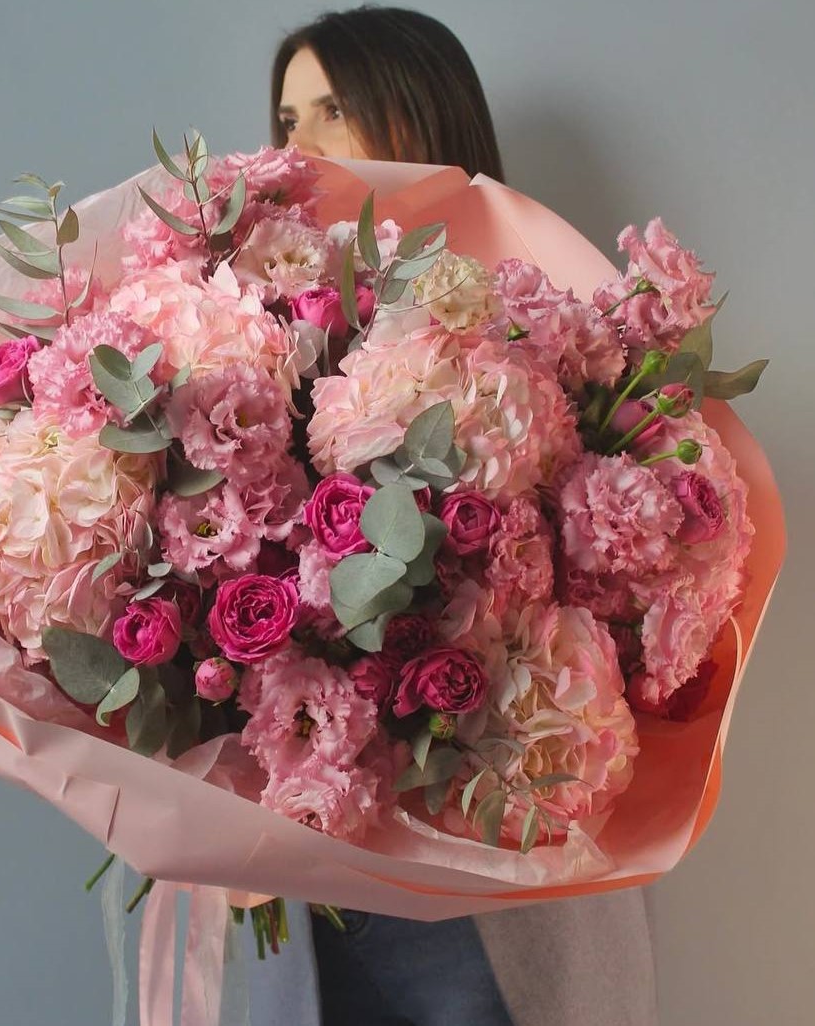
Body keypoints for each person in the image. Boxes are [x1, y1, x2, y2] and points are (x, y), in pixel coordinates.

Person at [253, 7, 662, 1026]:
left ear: (417, 113)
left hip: (489, 843)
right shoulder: (264, 326)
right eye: (288, 118)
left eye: (334, 110)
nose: (300, 145)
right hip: (320, 857)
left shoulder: (548, 317)